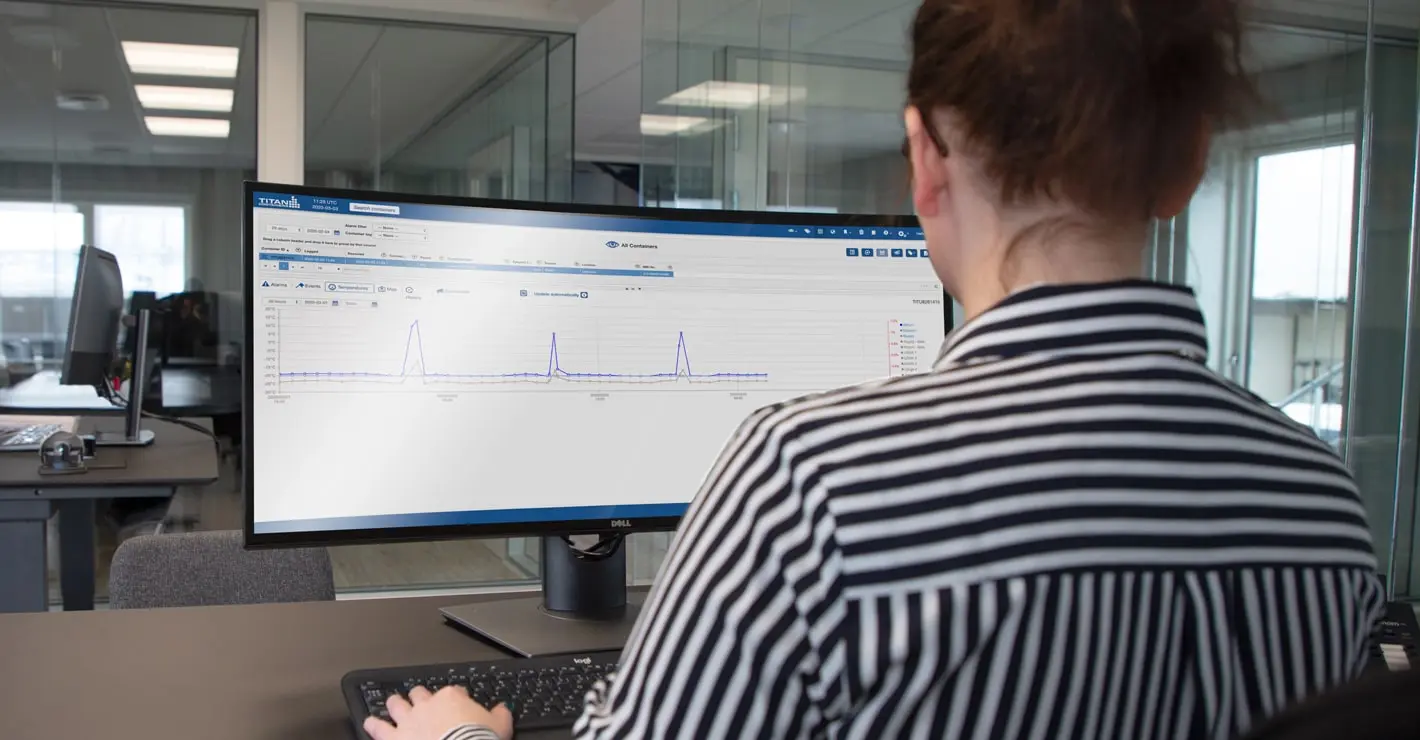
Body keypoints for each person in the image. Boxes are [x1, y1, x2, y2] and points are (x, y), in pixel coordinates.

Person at [366, 1, 1386, 738]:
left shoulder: (810, 480)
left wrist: (461, 738)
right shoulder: (1321, 503)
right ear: (1189, 162)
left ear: (925, 160)